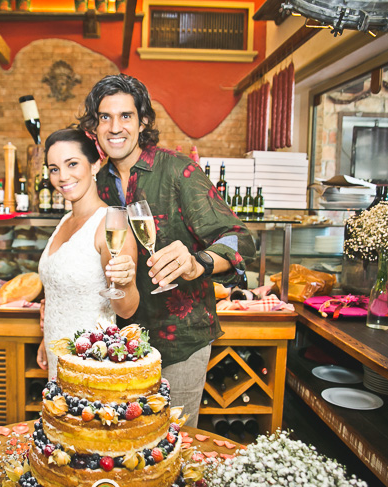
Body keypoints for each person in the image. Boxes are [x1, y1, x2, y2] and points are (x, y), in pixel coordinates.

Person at [79, 74, 256, 427]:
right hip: (123, 346)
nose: (115, 127)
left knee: (175, 444)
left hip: (180, 340)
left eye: (125, 116)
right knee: (133, 447)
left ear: (142, 121)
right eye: (105, 117)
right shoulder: (98, 184)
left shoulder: (178, 170)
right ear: (94, 128)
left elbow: (241, 239)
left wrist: (199, 263)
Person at [36, 128, 139, 379]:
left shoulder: (111, 224)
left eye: (72, 164)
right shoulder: (64, 221)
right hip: (56, 357)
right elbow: (61, 294)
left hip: (92, 364)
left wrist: (124, 281)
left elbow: (127, 310)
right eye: (54, 168)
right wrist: (46, 337)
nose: (62, 176)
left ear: (95, 165)